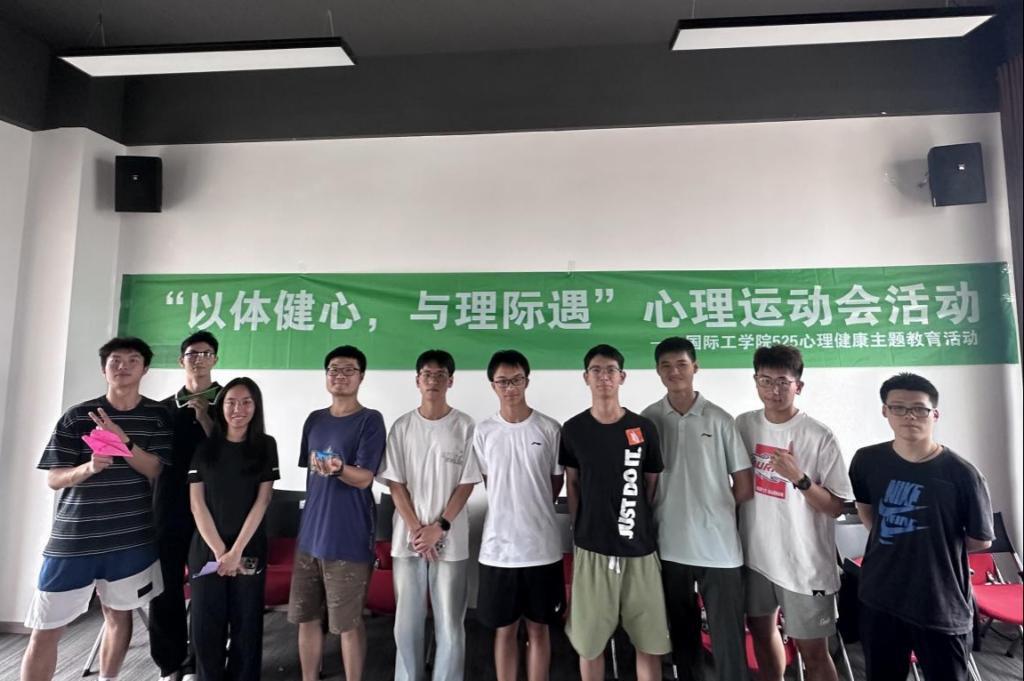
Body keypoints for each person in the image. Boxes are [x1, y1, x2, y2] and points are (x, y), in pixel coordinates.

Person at [21, 337, 172, 681]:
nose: (123, 366)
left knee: (119, 615)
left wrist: (122, 441)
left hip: (130, 538)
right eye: (115, 360)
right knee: (46, 625)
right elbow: (54, 479)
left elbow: (155, 469)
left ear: (145, 369)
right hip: (73, 539)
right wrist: (88, 468)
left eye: (133, 360)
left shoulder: (157, 416)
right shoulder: (77, 416)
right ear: (104, 368)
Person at [850, 373, 993, 681]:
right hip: (881, 596)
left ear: (935, 414)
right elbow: (868, 513)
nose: (909, 416)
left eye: (919, 408)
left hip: (940, 601)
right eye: (898, 407)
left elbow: (980, 540)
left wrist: (932, 545)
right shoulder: (866, 461)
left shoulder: (963, 474)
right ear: (885, 411)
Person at [735, 344, 853, 681]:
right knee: (761, 635)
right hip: (756, 558)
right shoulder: (743, 425)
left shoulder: (819, 436)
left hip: (804, 565)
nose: (773, 390)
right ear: (755, 382)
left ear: (798, 386)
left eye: (782, 382)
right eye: (765, 380)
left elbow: (836, 507)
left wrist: (799, 478)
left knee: (813, 652)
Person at [642, 336, 752, 681]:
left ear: (695, 367)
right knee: (682, 639)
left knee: (728, 641)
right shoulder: (648, 419)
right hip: (668, 545)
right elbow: (641, 482)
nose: (674, 372)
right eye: (666, 365)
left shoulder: (720, 419)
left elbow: (744, 485)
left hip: (719, 549)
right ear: (657, 371)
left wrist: (713, 510)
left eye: (681, 364)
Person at [559, 344, 670, 681]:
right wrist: (581, 530)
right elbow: (573, 484)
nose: (603, 376)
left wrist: (631, 518)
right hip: (592, 550)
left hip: (639, 550)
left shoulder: (643, 428)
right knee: (589, 644)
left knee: (648, 643)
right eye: (596, 370)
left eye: (610, 370)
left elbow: (650, 484)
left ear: (622, 377)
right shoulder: (574, 429)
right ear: (585, 377)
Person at [378, 349, 482, 681]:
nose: (433, 380)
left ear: (450, 381)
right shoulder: (402, 426)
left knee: (450, 622)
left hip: (450, 537)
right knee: (406, 622)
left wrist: (440, 527)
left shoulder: (465, 425)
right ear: (417, 381)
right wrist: (417, 530)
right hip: (409, 539)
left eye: (440, 375)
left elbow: (467, 483)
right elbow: (395, 483)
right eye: (427, 374)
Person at [287, 346, 386, 681]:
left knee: (348, 623)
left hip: (348, 537)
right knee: (306, 617)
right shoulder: (314, 419)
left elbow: (365, 478)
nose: (339, 376)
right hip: (310, 537)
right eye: (333, 369)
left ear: (361, 376)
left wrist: (340, 468)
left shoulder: (370, 420)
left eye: (348, 370)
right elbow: (310, 473)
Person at [474, 350, 565, 681]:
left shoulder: (549, 428)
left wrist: (532, 504)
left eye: (516, 380)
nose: (510, 387)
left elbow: (555, 482)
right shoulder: (483, 432)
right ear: (492, 385)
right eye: (503, 381)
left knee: (539, 629)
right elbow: (490, 482)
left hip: (542, 549)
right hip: (498, 551)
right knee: (505, 630)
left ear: (527, 381)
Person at [188, 377, 279, 681]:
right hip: (206, 549)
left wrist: (236, 552)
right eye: (231, 402)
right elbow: (197, 504)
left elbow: (263, 500)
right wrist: (220, 553)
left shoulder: (266, 446)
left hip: (249, 548)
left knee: (247, 622)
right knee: (206, 624)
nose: (238, 409)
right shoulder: (205, 448)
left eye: (246, 402)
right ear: (221, 407)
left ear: (256, 407)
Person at [153, 330, 222, 681]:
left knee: (207, 586)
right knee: (165, 586)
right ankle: (170, 663)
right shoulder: (162, 408)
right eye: (193, 353)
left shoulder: (231, 403)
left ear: (216, 359)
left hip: (213, 508)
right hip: (168, 506)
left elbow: (233, 455)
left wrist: (207, 418)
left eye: (206, 353)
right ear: (182, 360)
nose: (199, 359)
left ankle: (201, 661)